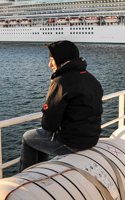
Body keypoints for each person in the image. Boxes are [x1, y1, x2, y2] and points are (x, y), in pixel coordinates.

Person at [19, 40, 103, 171]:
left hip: (70, 143)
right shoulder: (91, 78)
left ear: (61, 59)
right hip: (91, 139)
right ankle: (39, 172)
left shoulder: (61, 81)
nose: (49, 64)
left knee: (28, 138)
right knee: (40, 137)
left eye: (52, 59)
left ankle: (26, 178)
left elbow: (49, 124)